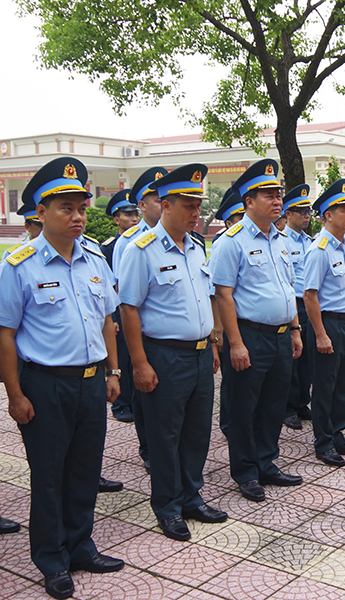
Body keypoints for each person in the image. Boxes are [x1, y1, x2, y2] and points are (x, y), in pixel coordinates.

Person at [0, 157, 124, 599]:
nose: (77, 216)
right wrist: (15, 394)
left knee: (85, 469)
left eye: (81, 208)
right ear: (40, 212)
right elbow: (6, 335)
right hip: (45, 385)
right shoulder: (20, 264)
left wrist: (112, 370)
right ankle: (51, 559)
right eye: (65, 208)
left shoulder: (94, 256)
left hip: (91, 381)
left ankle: (81, 545)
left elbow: (107, 318)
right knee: (49, 474)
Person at [119, 163, 227, 542]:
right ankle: (167, 505)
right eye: (188, 205)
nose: (196, 213)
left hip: (199, 354)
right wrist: (139, 363)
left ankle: (191, 496)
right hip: (163, 356)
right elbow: (129, 308)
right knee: (165, 435)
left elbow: (206, 298)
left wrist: (213, 342)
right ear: (165, 205)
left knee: (197, 431)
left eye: (198, 206)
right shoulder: (140, 250)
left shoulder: (197, 247)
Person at [212, 159, 304, 502]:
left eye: (278, 193)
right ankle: (246, 471)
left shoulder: (279, 240)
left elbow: (287, 287)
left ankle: (267, 462)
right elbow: (223, 294)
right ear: (248, 201)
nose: (277, 199)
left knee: (273, 404)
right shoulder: (230, 241)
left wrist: (295, 329)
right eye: (268, 194)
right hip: (249, 336)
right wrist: (233, 343)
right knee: (243, 406)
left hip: (281, 335)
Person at [303, 179, 345, 466]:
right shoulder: (320, 248)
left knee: (344, 384)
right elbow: (309, 295)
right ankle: (323, 442)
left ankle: (337, 433)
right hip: (327, 324)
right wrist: (320, 334)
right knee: (325, 386)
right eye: (343, 209)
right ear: (328, 215)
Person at [111, 166, 168, 473]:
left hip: (172, 339)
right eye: (156, 199)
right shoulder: (130, 241)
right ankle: (148, 448)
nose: (163, 203)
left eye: (165, 198)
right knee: (145, 398)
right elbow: (124, 292)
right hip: (144, 334)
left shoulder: (188, 238)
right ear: (143, 205)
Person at [209, 187, 246, 438]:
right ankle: (228, 423)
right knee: (232, 383)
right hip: (229, 321)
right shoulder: (225, 243)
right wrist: (218, 330)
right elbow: (217, 294)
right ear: (229, 221)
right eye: (238, 218)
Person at [100, 189, 139, 424]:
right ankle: (122, 402)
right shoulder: (109, 247)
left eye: (135, 213)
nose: (134, 218)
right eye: (127, 215)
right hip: (116, 306)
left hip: (133, 305)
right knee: (122, 354)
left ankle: (134, 398)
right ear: (116, 219)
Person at [282, 184, 315, 430]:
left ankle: (303, 400)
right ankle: (289, 407)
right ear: (288, 214)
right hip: (292, 305)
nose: (306, 215)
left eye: (308, 211)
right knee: (292, 358)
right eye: (300, 211)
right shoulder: (282, 241)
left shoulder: (311, 242)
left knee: (308, 359)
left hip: (310, 305)